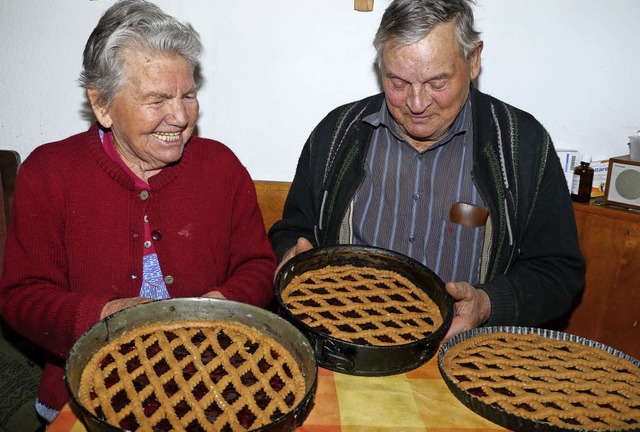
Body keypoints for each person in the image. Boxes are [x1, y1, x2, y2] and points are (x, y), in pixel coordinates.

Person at [0, 0, 276, 424]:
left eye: (188, 95)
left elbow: (257, 266)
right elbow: (22, 297)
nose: (180, 116)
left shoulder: (220, 165)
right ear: (102, 104)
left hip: (213, 387)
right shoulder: (49, 173)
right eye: (157, 100)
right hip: (90, 393)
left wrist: (221, 306)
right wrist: (101, 318)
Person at [269, 0, 585, 342]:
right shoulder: (337, 134)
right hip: (343, 347)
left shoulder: (521, 143)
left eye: (437, 83)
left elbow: (559, 272)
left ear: (474, 59)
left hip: (463, 357)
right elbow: (293, 230)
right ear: (381, 66)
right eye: (398, 83)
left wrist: (486, 304)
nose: (417, 104)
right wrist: (290, 255)